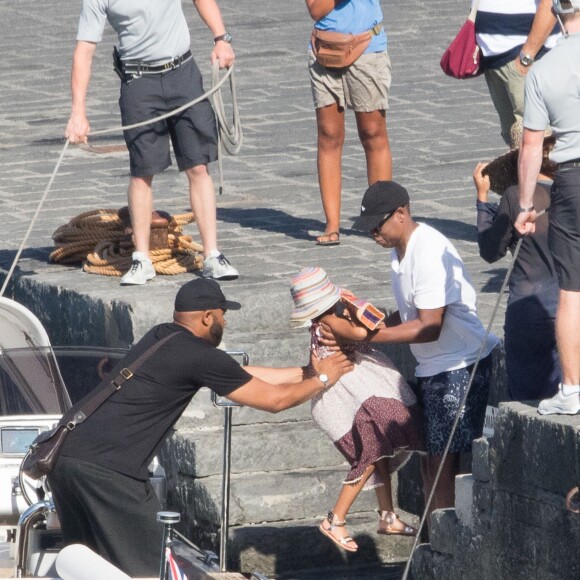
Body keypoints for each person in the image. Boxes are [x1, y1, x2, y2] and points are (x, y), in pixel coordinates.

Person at [47, 279, 354, 577]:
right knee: (153, 570)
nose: (225, 323)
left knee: (88, 566)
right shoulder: (198, 355)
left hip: (66, 458)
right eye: (223, 316)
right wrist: (323, 379)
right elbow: (274, 401)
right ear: (208, 317)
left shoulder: (160, 337)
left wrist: (308, 372)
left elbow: (239, 374)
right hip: (109, 472)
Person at [323, 181, 499, 529]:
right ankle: (436, 534)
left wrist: (368, 335)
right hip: (435, 364)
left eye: (378, 224)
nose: (373, 233)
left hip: (461, 364)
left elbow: (429, 325)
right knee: (429, 457)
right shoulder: (398, 251)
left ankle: (443, 539)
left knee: (442, 459)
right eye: (369, 227)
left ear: (401, 213)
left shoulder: (428, 251)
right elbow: (407, 314)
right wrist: (361, 330)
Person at [65, 0, 239, 285]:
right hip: (139, 82)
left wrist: (221, 38)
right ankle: (142, 258)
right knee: (142, 171)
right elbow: (84, 52)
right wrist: (78, 112)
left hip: (182, 73)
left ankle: (212, 255)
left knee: (198, 166)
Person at [290, 267, 423, 552]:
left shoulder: (322, 322)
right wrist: (356, 309)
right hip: (349, 393)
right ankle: (335, 519)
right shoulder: (331, 322)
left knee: (381, 445)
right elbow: (366, 333)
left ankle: (387, 516)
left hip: (353, 388)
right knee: (372, 450)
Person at [515, 0, 580, 416]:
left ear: (556, 14)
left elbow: (531, 146)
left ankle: (573, 389)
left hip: (572, 179)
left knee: (572, 290)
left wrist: (525, 205)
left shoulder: (542, 70)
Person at [473, 138, 561, 401]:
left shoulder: (515, 197)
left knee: (527, 398)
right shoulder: (570, 192)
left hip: (529, 310)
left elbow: (491, 250)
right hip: (570, 306)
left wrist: (482, 198)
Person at [305, 0, 392, 246]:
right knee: (329, 134)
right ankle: (332, 224)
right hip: (323, 47)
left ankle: (381, 218)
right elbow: (316, 9)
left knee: (373, 132)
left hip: (367, 46)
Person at [475, 0, 559, 147]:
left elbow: (550, 3)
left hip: (525, 58)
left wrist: (526, 56)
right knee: (515, 140)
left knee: (538, 143)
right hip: (496, 59)